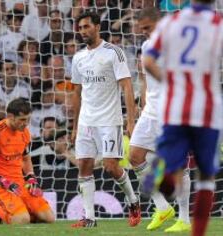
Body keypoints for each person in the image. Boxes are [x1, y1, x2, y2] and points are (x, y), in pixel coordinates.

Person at [142, 1, 223, 236]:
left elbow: (148, 61)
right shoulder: (217, 24)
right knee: (206, 177)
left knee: (170, 168)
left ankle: (161, 174)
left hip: (176, 107)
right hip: (207, 109)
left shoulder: (170, 23)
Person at [70, 11, 140, 228]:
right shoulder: (78, 57)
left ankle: (133, 201)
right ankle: (89, 217)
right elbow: (76, 92)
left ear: (97, 26)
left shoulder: (113, 52)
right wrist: (74, 126)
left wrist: (130, 121)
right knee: (84, 166)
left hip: (109, 121)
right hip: (85, 122)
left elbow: (127, 86)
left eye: (86, 26)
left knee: (111, 167)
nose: (83, 31)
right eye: (80, 28)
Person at [130, 7, 191, 233]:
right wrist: (144, 105)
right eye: (142, 29)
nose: (145, 33)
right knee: (135, 157)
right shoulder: (147, 46)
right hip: (150, 112)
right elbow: (146, 79)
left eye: (148, 28)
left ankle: (185, 218)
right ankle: (163, 206)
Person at [0, 98, 55, 224]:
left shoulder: (24, 133)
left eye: (28, 119)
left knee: (49, 218)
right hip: (0, 186)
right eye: (22, 120)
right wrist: (0, 180)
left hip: (19, 184)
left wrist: (31, 177)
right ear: (10, 117)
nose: (26, 123)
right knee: (23, 220)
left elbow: (26, 159)